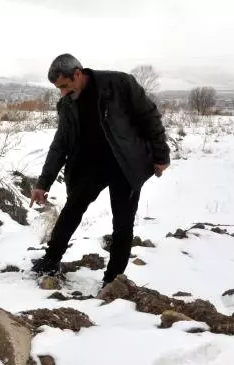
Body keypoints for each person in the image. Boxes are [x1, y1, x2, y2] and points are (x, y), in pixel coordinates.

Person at [29, 54, 170, 288]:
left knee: (122, 222)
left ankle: (112, 280)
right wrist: (43, 183)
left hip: (125, 162)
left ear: (78, 73)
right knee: (72, 208)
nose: (62, 93)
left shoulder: (119, 84)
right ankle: (51, 260)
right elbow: (60, 143)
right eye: (58, 88)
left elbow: (149, 116)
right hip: (91, 164)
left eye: (65, 85)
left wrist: (160, 155)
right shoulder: (67, 103)